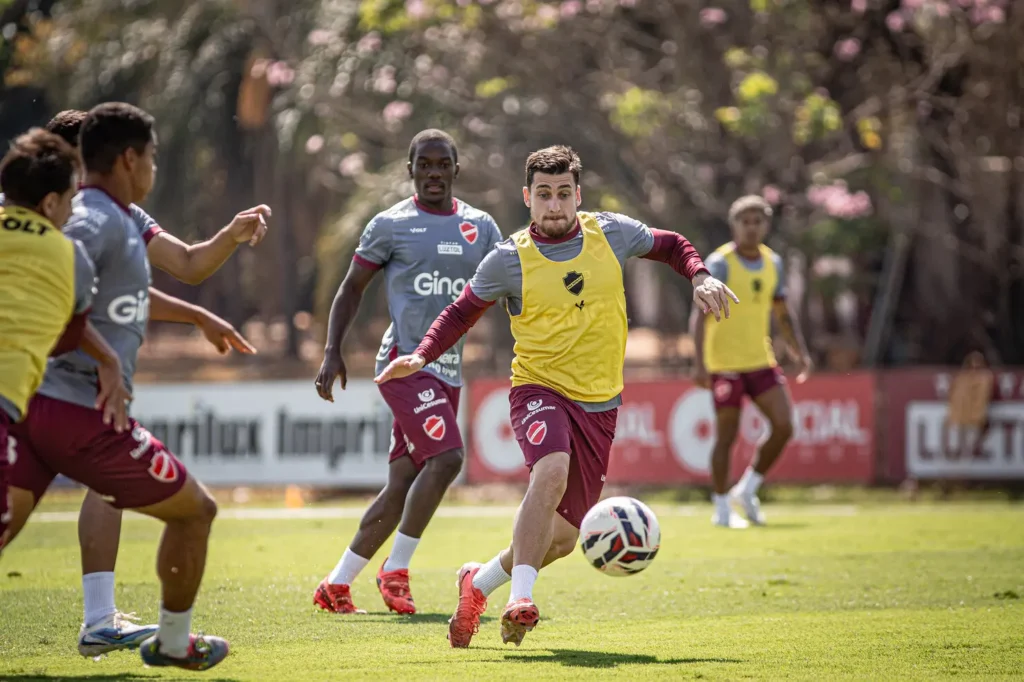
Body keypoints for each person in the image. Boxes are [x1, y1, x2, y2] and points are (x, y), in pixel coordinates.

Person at [374, 145, 735, 647]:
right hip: (538, 388)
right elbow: (461, 311)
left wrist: (699, 274)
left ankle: (477, 584)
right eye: (544, 195)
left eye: (564, 193)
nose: (554, 205)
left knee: (564, 540)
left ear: (578, 194)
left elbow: (671, 244)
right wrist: (423, 354)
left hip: (601, 402)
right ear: (528, 198)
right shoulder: (509, 259)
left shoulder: (609, 233)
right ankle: (522, 598)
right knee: (551, 470)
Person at [3, 103, 233, 671]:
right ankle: (171, 641)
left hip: (41, 407)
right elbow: (57, 282)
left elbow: (91, 290)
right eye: (152, 156)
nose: (155, 166)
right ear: (130, 159)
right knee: (194, 512)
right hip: (77, 408)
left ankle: (103, 622)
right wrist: (102, 358)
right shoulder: (92, 219)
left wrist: (195, 317)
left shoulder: (118, 218)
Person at [312, 129, 503, 615]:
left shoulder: (481, 227)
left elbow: (511, 282)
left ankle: (336, 584)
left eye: (443, 165)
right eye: (425, 165)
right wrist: (333, 350)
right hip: (404, 364)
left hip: (449, 369)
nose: (434, 173)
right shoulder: (390, 225)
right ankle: (395, 571)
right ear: (410, 169)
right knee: (448, 459)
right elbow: (351, 288)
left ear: (456, 170)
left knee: (401, 483)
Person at [0, 128, 131, 554]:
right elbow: (68, 335)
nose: (74, 209)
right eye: (70, 198)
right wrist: (109, 359)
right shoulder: (68, 253)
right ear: (51, 201)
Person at [690, 195, 811, 528]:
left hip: (761, 360)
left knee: (785, 425)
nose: (752, 227)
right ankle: (721, 508)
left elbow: (783, 310)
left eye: (758, 221)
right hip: (724, 364)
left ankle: (747, 489)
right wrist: (699, 363)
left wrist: (799, 351)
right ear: (735, 226)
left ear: (766, 225)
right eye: (745, 221)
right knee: (726, 437)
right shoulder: (720, 263)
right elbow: (699, 316)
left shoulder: (774, 263)